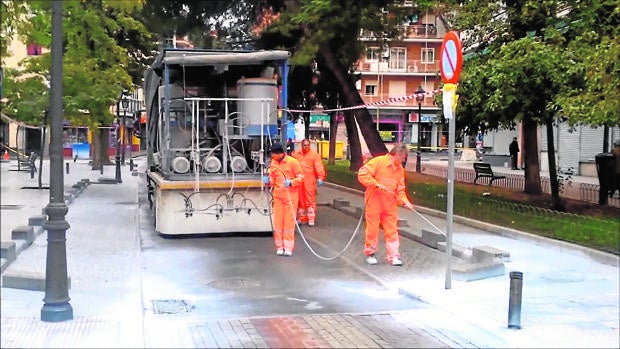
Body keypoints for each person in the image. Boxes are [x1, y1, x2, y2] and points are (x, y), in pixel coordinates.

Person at [357, 144, 414, 266]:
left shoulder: (399, 170)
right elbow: (362, 174)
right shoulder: (379, 162)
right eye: (403, 157)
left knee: (392, 230)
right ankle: (370, 253)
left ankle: (393, 256)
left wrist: (405, 202)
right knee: (372, 229)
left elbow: (400, 190)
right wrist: (375, 183)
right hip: (374, 202)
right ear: (397, 155)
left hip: (390, 205)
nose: (404, 160)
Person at [263, 142, 304, 256]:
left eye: (272, 154)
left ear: (279, 153)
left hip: (290, 197)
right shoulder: (274, 163)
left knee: (289, 223)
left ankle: (288, 247)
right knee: (278, 223)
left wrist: (291, 182)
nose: (271, 156)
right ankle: (279, 246)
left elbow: (301, 177)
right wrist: (268, 181)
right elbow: (272, 179)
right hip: (278, 197)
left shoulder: (293, 162)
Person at [291, 138, 326, 226]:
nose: (306, 147)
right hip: (299, 180)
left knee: (310, 199)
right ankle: (301, 218)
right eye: (305, 145)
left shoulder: (314, 155)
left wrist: (320, 177)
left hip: (309, 180)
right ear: (302, 146)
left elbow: (319, 167)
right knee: (300, 199)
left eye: (308, 145)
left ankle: (311, 218)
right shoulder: (296, 154)